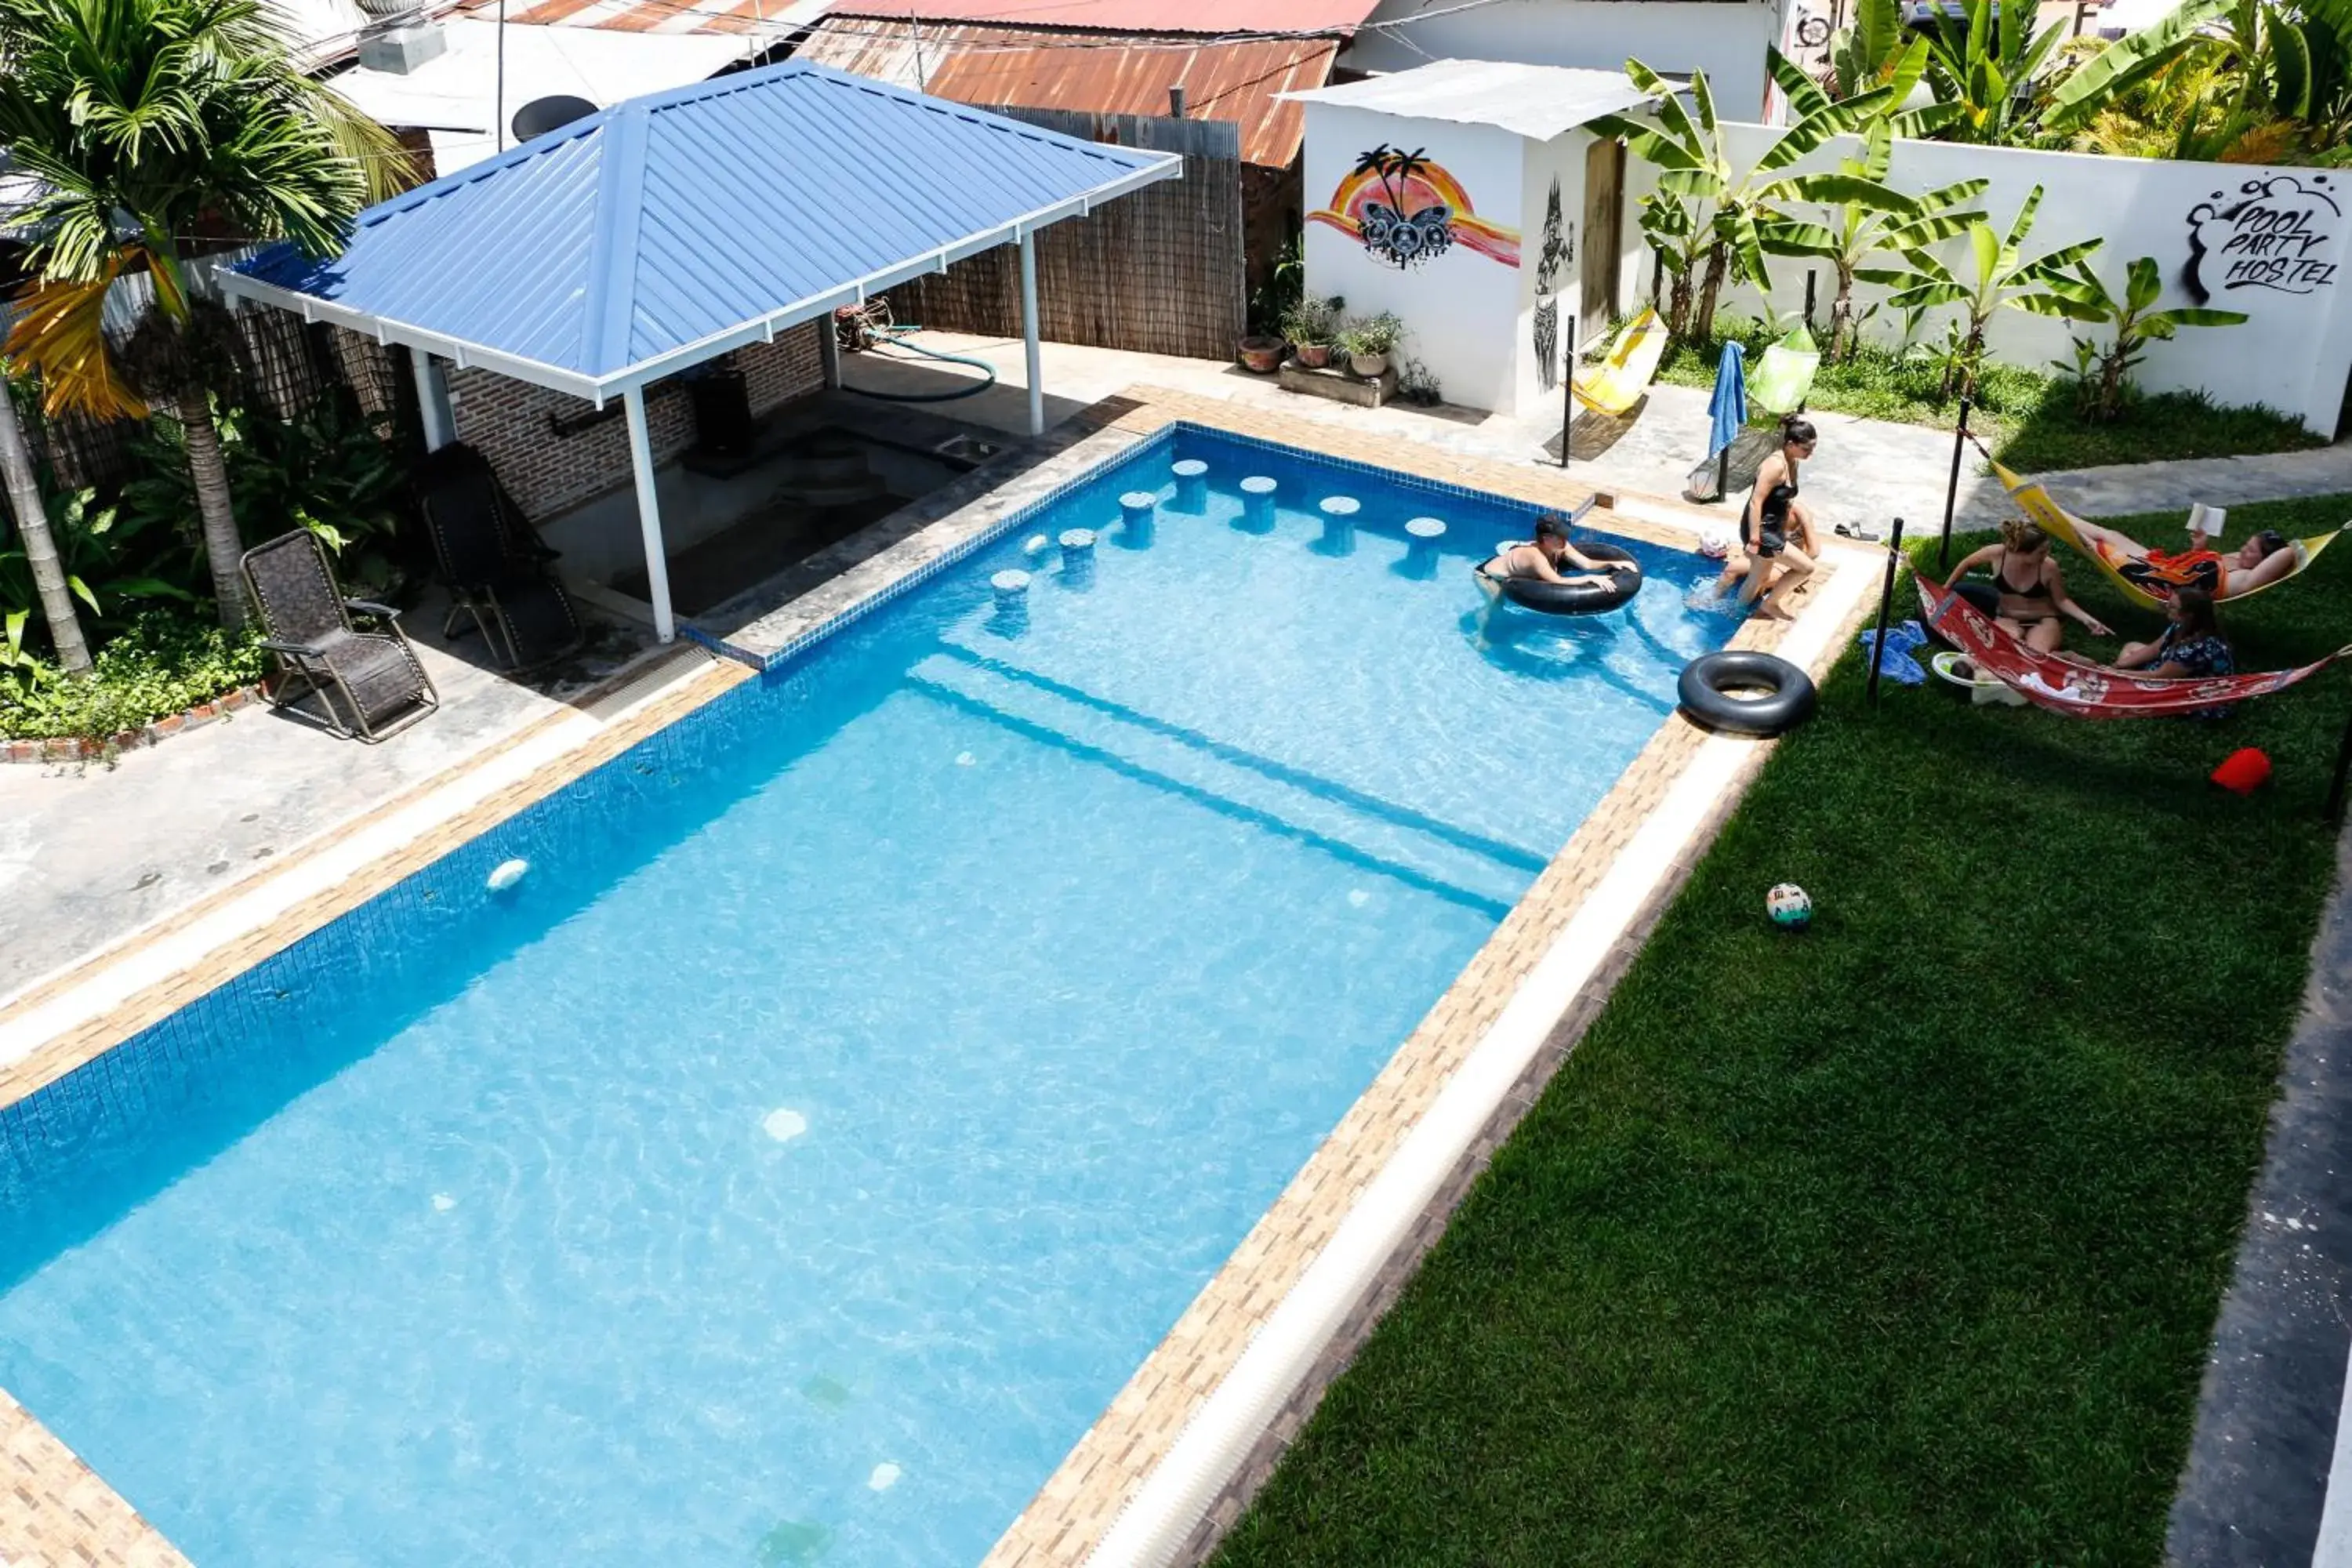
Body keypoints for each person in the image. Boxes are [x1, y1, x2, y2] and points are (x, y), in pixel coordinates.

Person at [1947, 520, 2112, 652]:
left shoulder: (2049, 567)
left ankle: (2067, 657)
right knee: (1999, 651)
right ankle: (2063, 657)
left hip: (2042, 620)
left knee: (2035, 658)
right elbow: (1966, 563)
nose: (2046, 555)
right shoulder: (1998, 554)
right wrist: (1946, 588)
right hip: (2008, 618)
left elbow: (2062, 600)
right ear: (2022, 552)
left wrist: (2087, 620)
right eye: (2041, 552)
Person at [2062, 514, 2296, 600]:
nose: (2244, 550)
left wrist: (2289, 546)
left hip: (2157, 582)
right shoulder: (2240, 561)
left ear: (2265, 562)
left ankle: (2050, 518)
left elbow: (2287, 552)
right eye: (2246, 545)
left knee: (2098, 546)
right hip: (2164, 568)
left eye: (2251, 550)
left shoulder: (2246, 579)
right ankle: (2052, 509)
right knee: (2110, 535)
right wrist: (2201, 548)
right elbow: (2199, 575)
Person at [1731, 416, 1819, 620]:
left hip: (1773, 528)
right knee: (1807, 568)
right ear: (1790, 444)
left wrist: (1785, 529)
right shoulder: (1775, 466)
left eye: (1812, 448)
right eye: (1806, 449)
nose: (1810, 453)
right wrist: (1754, 538)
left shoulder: (1792, 462)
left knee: (1757, 578)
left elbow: (1784, 501)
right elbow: (1755, 502)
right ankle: (1770, 604)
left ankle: (1734, 615)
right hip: (1761, 530)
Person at [2114, 586, 2233, 678]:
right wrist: (2119, 666)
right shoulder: (2182, 624)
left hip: (2185, 691)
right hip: (2171, 667)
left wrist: (2119, 674)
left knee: (2126, 676)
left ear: (2188, 615)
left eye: (2172, 606)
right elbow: (2155, 649)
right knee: (2131, 647)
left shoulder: (2196, 648)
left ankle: (2120, 684)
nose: (2167, 607)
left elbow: (2158, 676)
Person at [1486, 513, 1622, 590]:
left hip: (1516, 572)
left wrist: (1611, 563)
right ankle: (1481, 640)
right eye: (1560, 536)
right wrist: (1591, 578)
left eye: (1565, 535)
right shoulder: (1535, 556)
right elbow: (1558, 581)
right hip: (1490, 576)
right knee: (1496, 610)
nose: (1565, 539)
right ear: (1546, 539)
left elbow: (1587, 564)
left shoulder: (1561, 546)